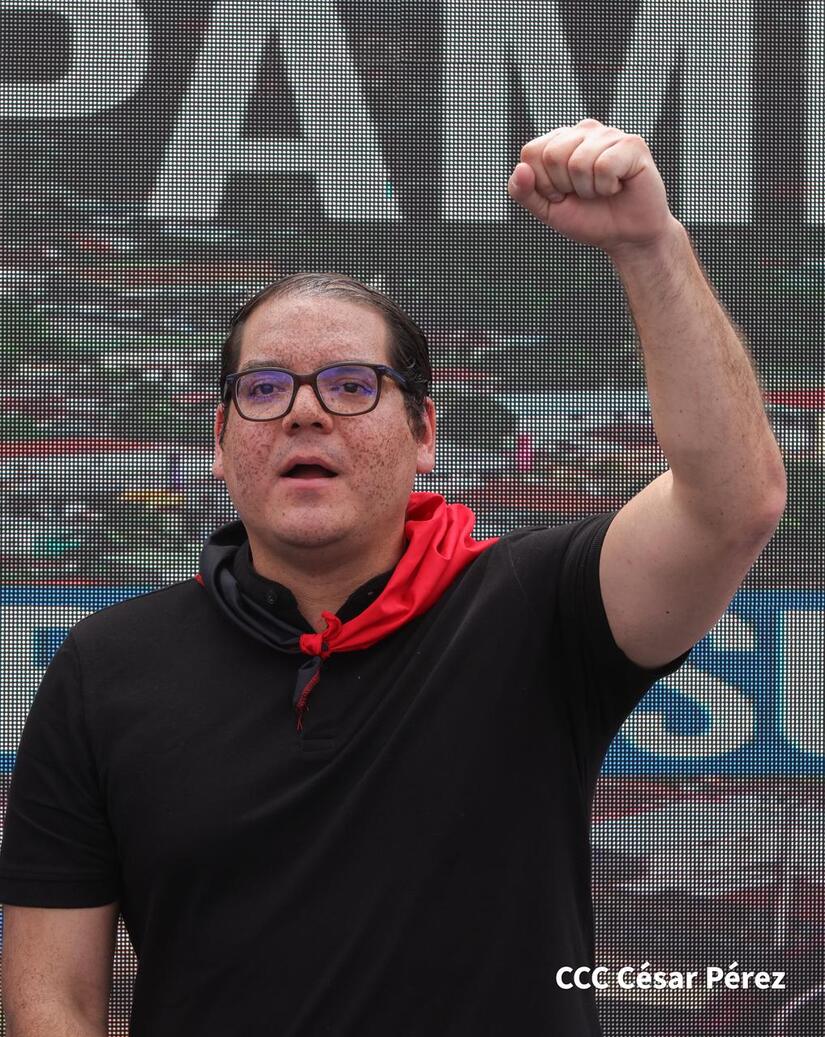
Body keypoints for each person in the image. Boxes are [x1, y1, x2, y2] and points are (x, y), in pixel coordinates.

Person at [0, 120, 786, 1036]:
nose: (303, 413)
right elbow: (51, 996)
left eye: (351, 385)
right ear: (218, 442)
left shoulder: (536, 610)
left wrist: (649, 247)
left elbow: (730, 505)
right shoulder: (107, 667)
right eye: (264, 389)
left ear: (423, 434)